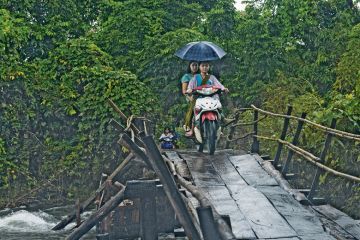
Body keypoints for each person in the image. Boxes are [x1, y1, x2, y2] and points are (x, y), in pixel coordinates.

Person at [185, 62, 229, 136]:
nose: (204, 67)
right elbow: (190, 87)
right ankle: (192, 129)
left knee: (218, 107)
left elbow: (219, 85)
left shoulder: (212, 77)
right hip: (199, 98)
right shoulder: (195, 77)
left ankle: (221, 122)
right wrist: (189, 90)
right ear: (199, 67)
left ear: (209, 67)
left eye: (206, 66)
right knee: (194, 111)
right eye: (203, 66)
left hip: (212, 97)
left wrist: (224, 88)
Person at [180, 62, 199, 133]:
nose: (194, 67)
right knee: (194, 104)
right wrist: (189, 98)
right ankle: (187, 124)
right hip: (191, 96)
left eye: (196, 65)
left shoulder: (200, 75)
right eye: (193, 65)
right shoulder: (186, 76)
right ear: (189, 66)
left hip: (201, 95)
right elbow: (184, 91)